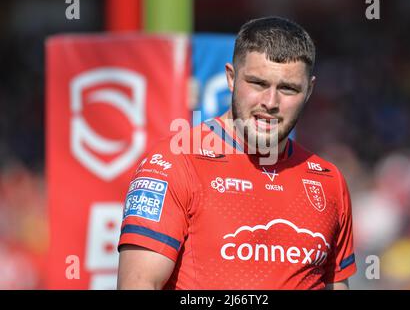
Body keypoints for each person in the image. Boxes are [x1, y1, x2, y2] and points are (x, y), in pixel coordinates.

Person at [117, 16, 357, 290]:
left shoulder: (329, 181)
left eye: (288, 89)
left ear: (310, 91)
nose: (270, 102)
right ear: (231, 78)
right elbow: (138, 284)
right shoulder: (175, 162)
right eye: (257, 83)